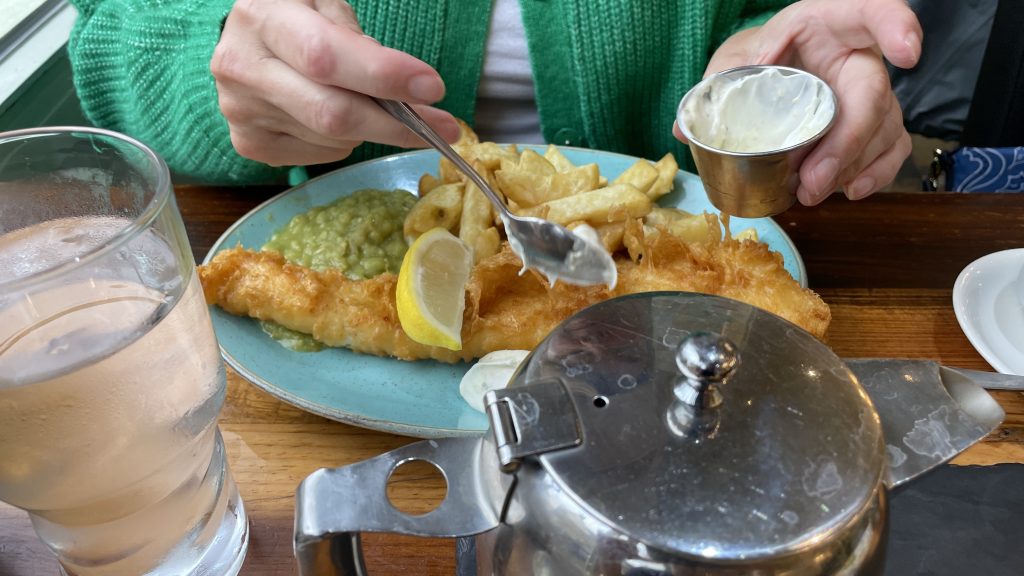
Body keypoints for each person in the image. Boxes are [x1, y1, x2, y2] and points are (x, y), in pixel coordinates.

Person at [67, 0, 921, 206]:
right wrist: (215, 56)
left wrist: (762, 65)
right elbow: (109, 27)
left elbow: (759, 15)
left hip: (663, 327)